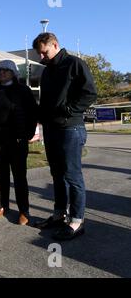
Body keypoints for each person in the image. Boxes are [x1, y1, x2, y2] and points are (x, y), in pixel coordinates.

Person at [32, 33, 97, 240]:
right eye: (40, 54)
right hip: (51, 129)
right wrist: (39, 121)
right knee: (57, 175)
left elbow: (89, 92)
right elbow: (45, 101)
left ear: (55, 45)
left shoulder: (74, 64)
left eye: (45, 52)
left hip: (70, 129)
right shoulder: (47, 71)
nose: (42, 56)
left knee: (72, 176)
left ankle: (77, 221)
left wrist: (69, 110)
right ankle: (59, 215)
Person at [0, 60, 38, 225]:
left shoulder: (23, 90)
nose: (2, 73)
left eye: (5, 70)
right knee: (2, 175)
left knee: (19, 177)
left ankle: (24, 211)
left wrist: (27, 134)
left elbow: (33, 113)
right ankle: (3, 206)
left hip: (17, 140)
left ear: (13, 72)